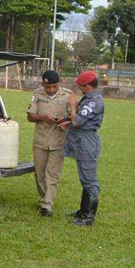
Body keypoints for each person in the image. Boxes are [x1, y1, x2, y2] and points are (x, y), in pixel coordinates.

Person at [25, 69, 74, 217]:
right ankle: (44, 198)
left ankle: (47, 205)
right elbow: (30, 117)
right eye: (48, 87)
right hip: (40, 140)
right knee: (40, 174)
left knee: (52, 174)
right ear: (42, 84)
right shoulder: (37, 94)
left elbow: (73, 116)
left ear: (58, 84)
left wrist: (64, 120)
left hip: (59, 140)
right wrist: (43, 117)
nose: (51, 89)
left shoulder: (67, 95)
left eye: (54, 86)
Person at [59, 70, 105, 226]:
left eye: (81, 86)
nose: (79, 89)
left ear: (88, 86)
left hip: (86, 141)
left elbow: (78, 120)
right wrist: (67, 121)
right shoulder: (89, 98)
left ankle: (88, 217)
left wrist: (72, 105)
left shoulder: (94, 101)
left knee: (90, 180)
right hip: (81, 141)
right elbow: (75, 120)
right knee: (84, 178)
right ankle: (83, 211)